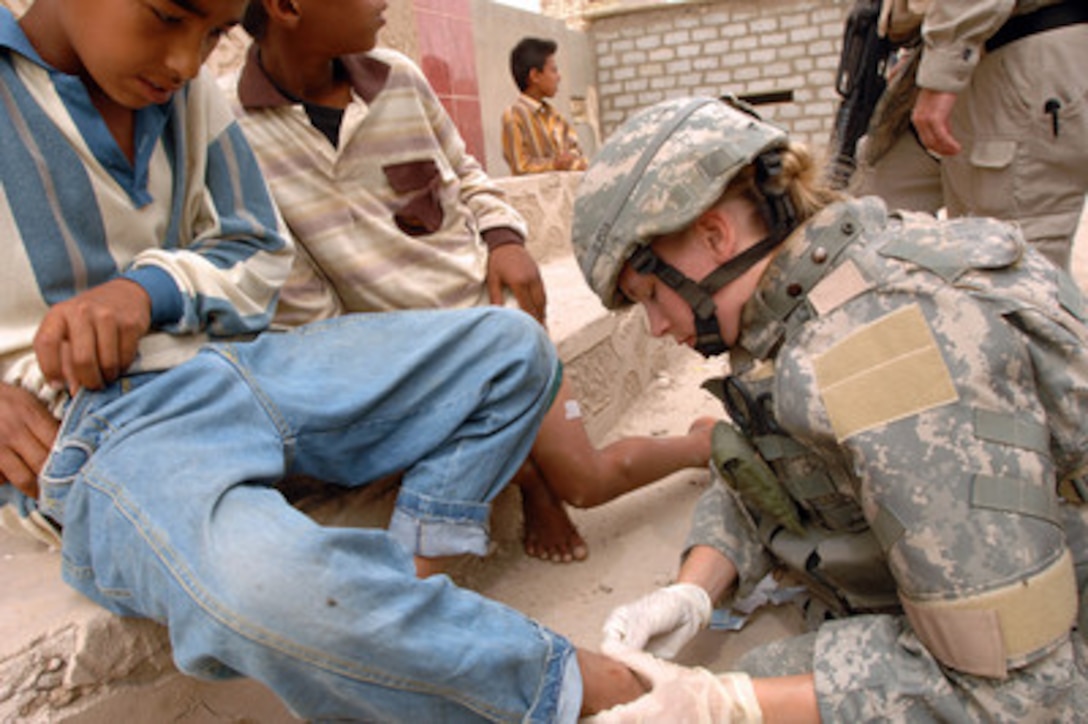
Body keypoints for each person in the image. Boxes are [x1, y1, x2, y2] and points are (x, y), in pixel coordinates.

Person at [0, 0, 650, 719]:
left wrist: (146, 290)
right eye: (165, 15)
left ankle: (410, 576)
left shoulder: (194, 99)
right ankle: (564, 684)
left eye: (212, 33)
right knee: (261, 587)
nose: (187, 62)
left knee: (512, 348)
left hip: (246, 365)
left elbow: (255, 250)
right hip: (110, 426)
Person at [570, 96, 1087, 721]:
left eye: (651, 294)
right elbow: (777, 468)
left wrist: (728, 704)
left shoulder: (881, 353)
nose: (655, 326)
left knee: (762, 683)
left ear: (714, 236)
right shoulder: (805, 293)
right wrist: (694, 589)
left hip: (1045, 657)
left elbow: (1022, 692)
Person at [228, 0, 713, 564]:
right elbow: (303, 301)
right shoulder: (232, 130)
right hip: (406, 362)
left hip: (497, 324)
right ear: (287, 7)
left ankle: (700, 444)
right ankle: (528, 476)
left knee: (587, 481)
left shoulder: (400, 79)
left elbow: (466, 174)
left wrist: (505, 239)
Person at [851, 0, 1088, 270]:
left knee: (1010, 267)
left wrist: (942, 70)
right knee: (872, 225)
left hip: (1015, 49)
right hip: (961, 53)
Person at [501, 36, 588, 176]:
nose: (558, 77)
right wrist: (554, 164)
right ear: (535, 76)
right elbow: (520, 166)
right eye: (553, 70)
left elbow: (576, 152)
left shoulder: (555, 116)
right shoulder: (514, 116)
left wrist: (572, 161)